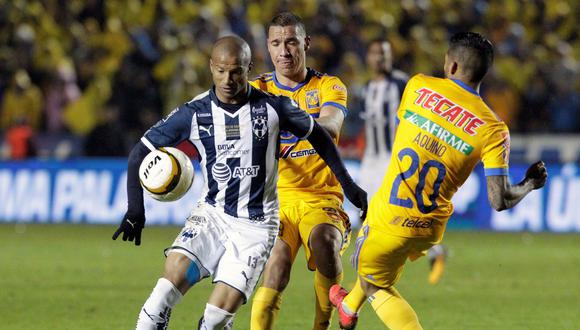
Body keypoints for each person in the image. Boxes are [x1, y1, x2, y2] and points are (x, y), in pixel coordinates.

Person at [111, 36, 367, 330]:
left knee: (214, 322)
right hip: (212, 216)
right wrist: (135, 210)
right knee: (158, 301)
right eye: (221, 71)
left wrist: (348, 186)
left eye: (235, 71)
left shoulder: (274, 108)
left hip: (256, 228)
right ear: (211, 67)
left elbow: (320, 137)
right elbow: (139, 152)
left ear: (248, 69)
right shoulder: (194, 112)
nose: (228, 79)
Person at [329, 32, 548, 329]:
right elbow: (499, 200)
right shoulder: (494, 129)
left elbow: (401, 135)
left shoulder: (418, 86)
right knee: (373, 275)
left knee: (375, 285)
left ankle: (349, 308)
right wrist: (530, 184)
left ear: (452, 66)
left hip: (390, 215)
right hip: (430, 228)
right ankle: (347, 305)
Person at [249, 12, 355, 330]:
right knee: (276, 267)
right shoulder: (255, 89)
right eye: (277, 43)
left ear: (305, 43)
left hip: (321, 196)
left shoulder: (328, 86)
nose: (284, 51)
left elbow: (332, 126)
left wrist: (285, 119)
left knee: (325, 243)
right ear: (267, 47)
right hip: (275, 201)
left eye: (292, 42)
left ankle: (322, 325)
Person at [360, 39, 446, 285]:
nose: (380, 59)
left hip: (394, 158)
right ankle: (374, 265)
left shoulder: (401, 84)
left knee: (400, 215)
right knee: (367, 214)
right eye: (376, 53)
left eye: (384, 54)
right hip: (370, 160)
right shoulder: (366, 87)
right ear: (368, 57)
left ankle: (432, 253)